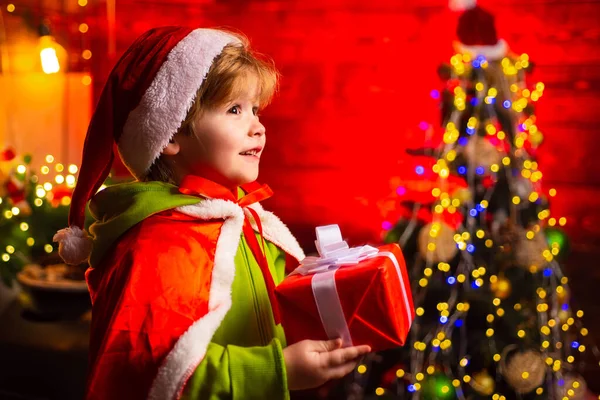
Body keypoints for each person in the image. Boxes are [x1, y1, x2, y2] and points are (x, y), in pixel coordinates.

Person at [53, 26, 371, 400]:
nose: (258, 126)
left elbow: (270, 310)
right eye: (234, 110)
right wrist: (277, 370)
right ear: (170, 134)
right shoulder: (161, 246)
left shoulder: (243, 222)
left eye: (255, 108)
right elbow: (153, 372)